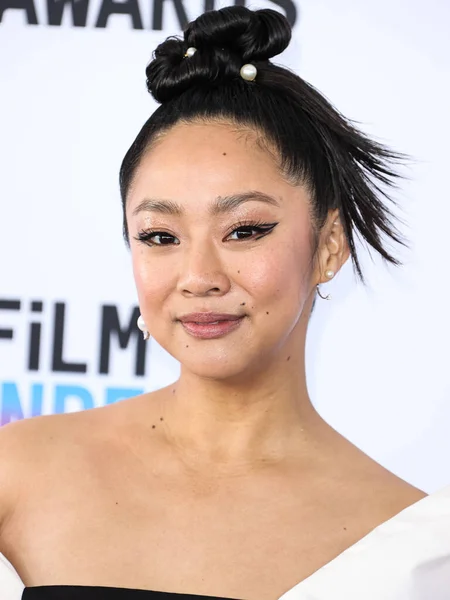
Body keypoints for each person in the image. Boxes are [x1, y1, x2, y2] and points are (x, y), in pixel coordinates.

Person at [1, 5, 449, 600]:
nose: (199, 276)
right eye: (160, 237)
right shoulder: (18, 472)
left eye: (244, 230)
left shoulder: (417, 548)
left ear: (329, 245)